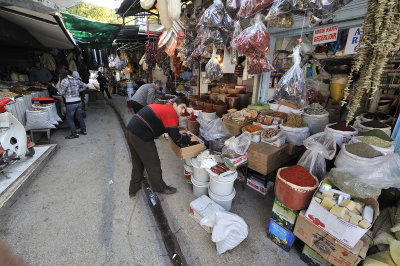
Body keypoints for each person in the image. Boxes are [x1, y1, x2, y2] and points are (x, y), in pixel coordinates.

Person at [126, 97, 197, 196]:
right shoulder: (172, 112)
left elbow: (167, 127)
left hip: (130, 130)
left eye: (185, 109)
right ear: (175, 105)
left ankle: (133, 189)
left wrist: (177, 131)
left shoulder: (166, 108)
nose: (183, 111)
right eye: (182, 107)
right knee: (153, 163)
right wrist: (190, 139)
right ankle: (160, 188)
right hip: (141, 134)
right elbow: (177, 138)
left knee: (137, 161)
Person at [59, 71, 88, 139]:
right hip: (78, 101)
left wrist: (64, 93)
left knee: (70, 119)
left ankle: (74, 134)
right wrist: (78, 91)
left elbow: (61, 92)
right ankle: (84, 131)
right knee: (79, 117)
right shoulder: (76, 80)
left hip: (70, 102)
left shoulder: (64, 81)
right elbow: (85, 86)